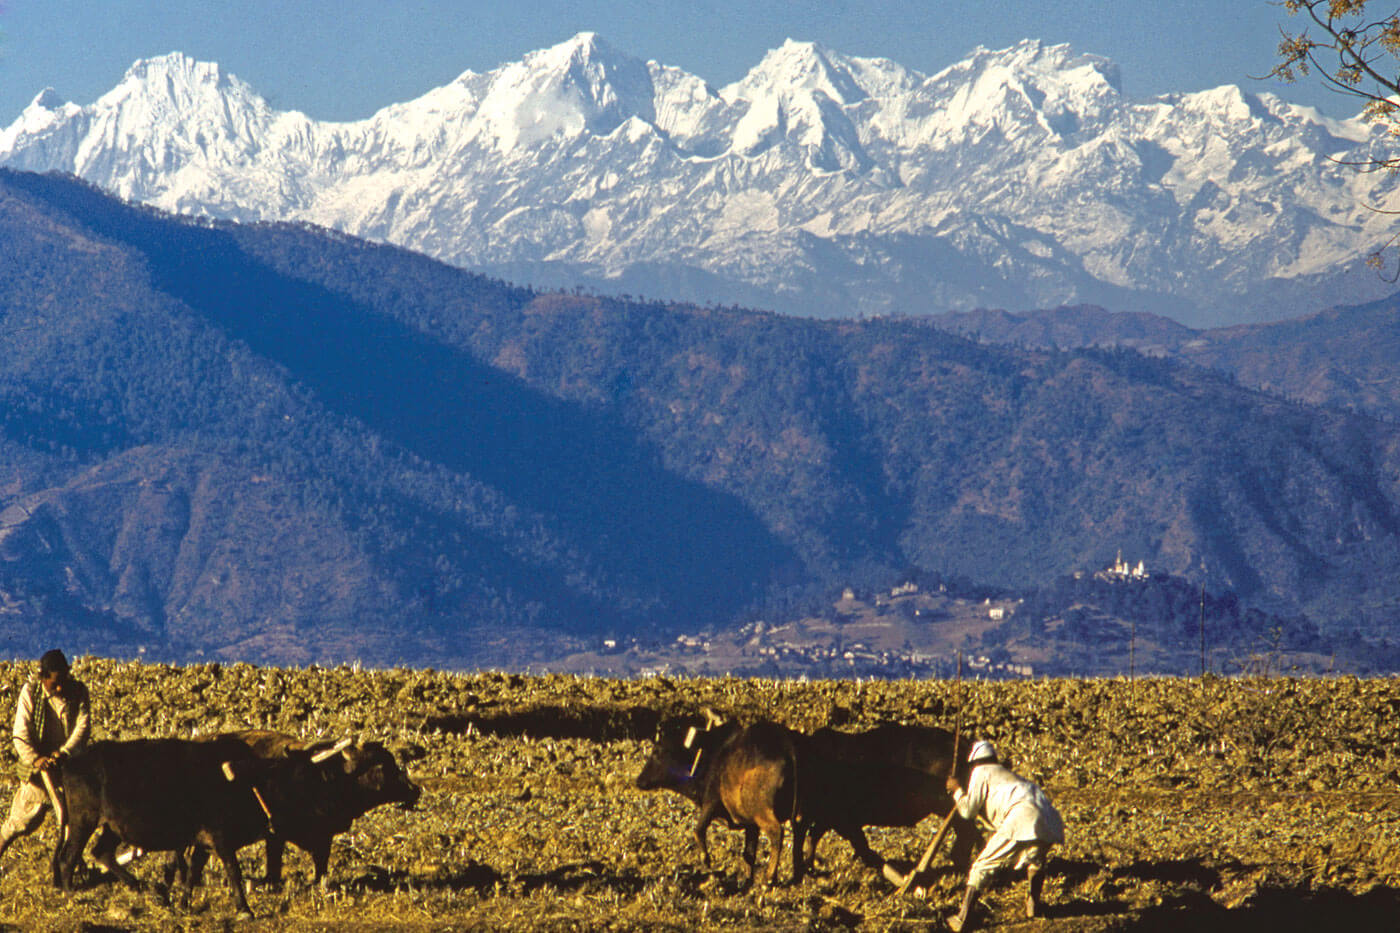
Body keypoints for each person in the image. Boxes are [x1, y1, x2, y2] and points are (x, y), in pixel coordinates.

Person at [944, 739, 1064, 931]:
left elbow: (967, 812)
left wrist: (956, 790)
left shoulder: (980, 771)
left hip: (1023, 815)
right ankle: (1033, 907)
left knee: (981, 865)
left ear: (974, 761)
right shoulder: (1008, 775)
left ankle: (962, 918)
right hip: (1049, 817)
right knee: (1035, 859)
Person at [0, 649, 91, 860]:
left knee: (71, 823)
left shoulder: (78, 691)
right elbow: (20, 734)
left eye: (63, 681)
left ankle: (70, 869)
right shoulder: (31, 692)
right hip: (39, 772)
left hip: (69, 767)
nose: (59, 687)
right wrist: (36, 759)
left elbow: (82, 726)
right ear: (43, 678)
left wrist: (64, 752)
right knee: (19, 822)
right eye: (54, 683)